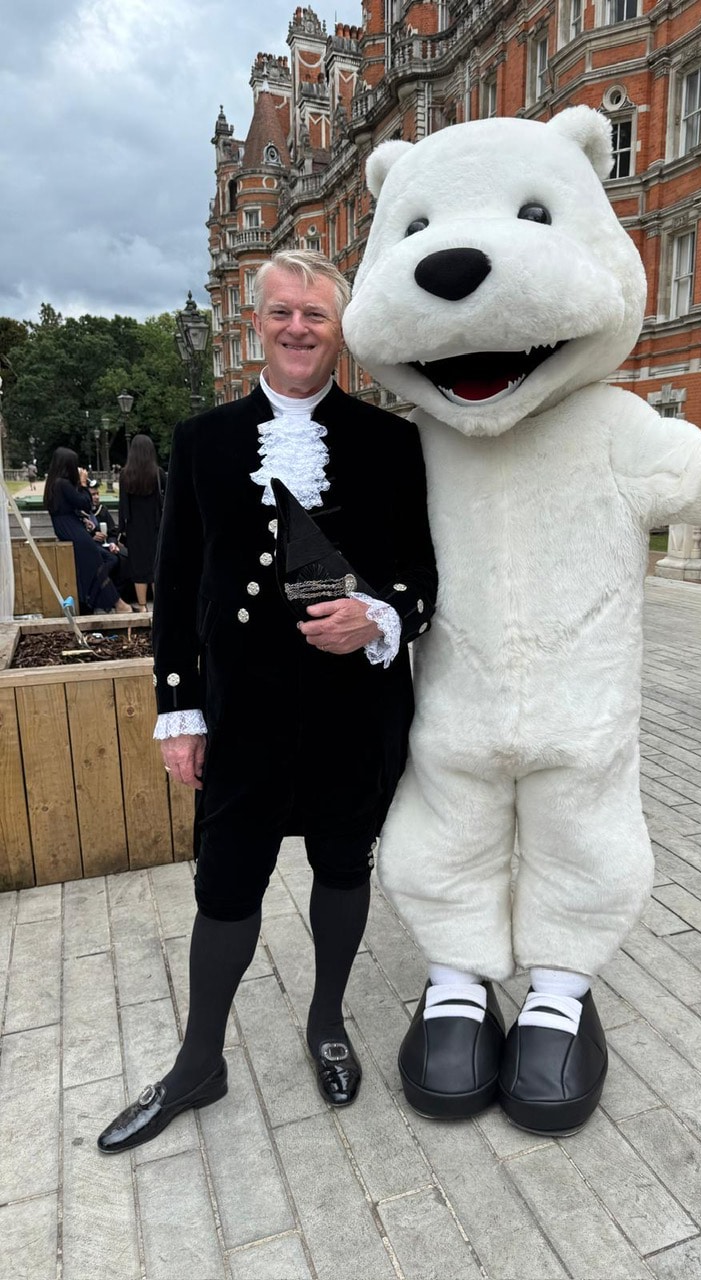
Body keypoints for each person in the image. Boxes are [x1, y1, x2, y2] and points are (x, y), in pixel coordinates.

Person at [97, 249, 437, 1154]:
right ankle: (197, 1061)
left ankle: (326, 1022)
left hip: (351, 712)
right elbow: (175, 589)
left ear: (340, 329)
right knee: (226, 885)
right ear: (256, 321)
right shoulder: (203, 439)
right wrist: (179, 712)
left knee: (343, 868)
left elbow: (424, 579)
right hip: (243, 711)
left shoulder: (391, 442)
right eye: (282, 311)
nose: (297, 328)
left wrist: (376, 617)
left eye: (315, 315)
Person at [42, 447, 133, 615]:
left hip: (67, 527)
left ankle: (96, 600)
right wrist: (83, 484)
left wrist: (83, 519)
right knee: (96, 565)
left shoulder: (54, 484)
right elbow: (85, 503)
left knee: (97, 564)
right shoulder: (63, 484)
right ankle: (116, 603)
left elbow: (67, 507)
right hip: (74, 531)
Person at [118, 433, 165, 611]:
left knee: (139, 569)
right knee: (156, 567)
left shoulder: (125, 475)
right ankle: (159, 606)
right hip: (155, 527)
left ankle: (142, 606)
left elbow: (123, 505)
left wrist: (122, 530)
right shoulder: (158, 474)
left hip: (134, 528)